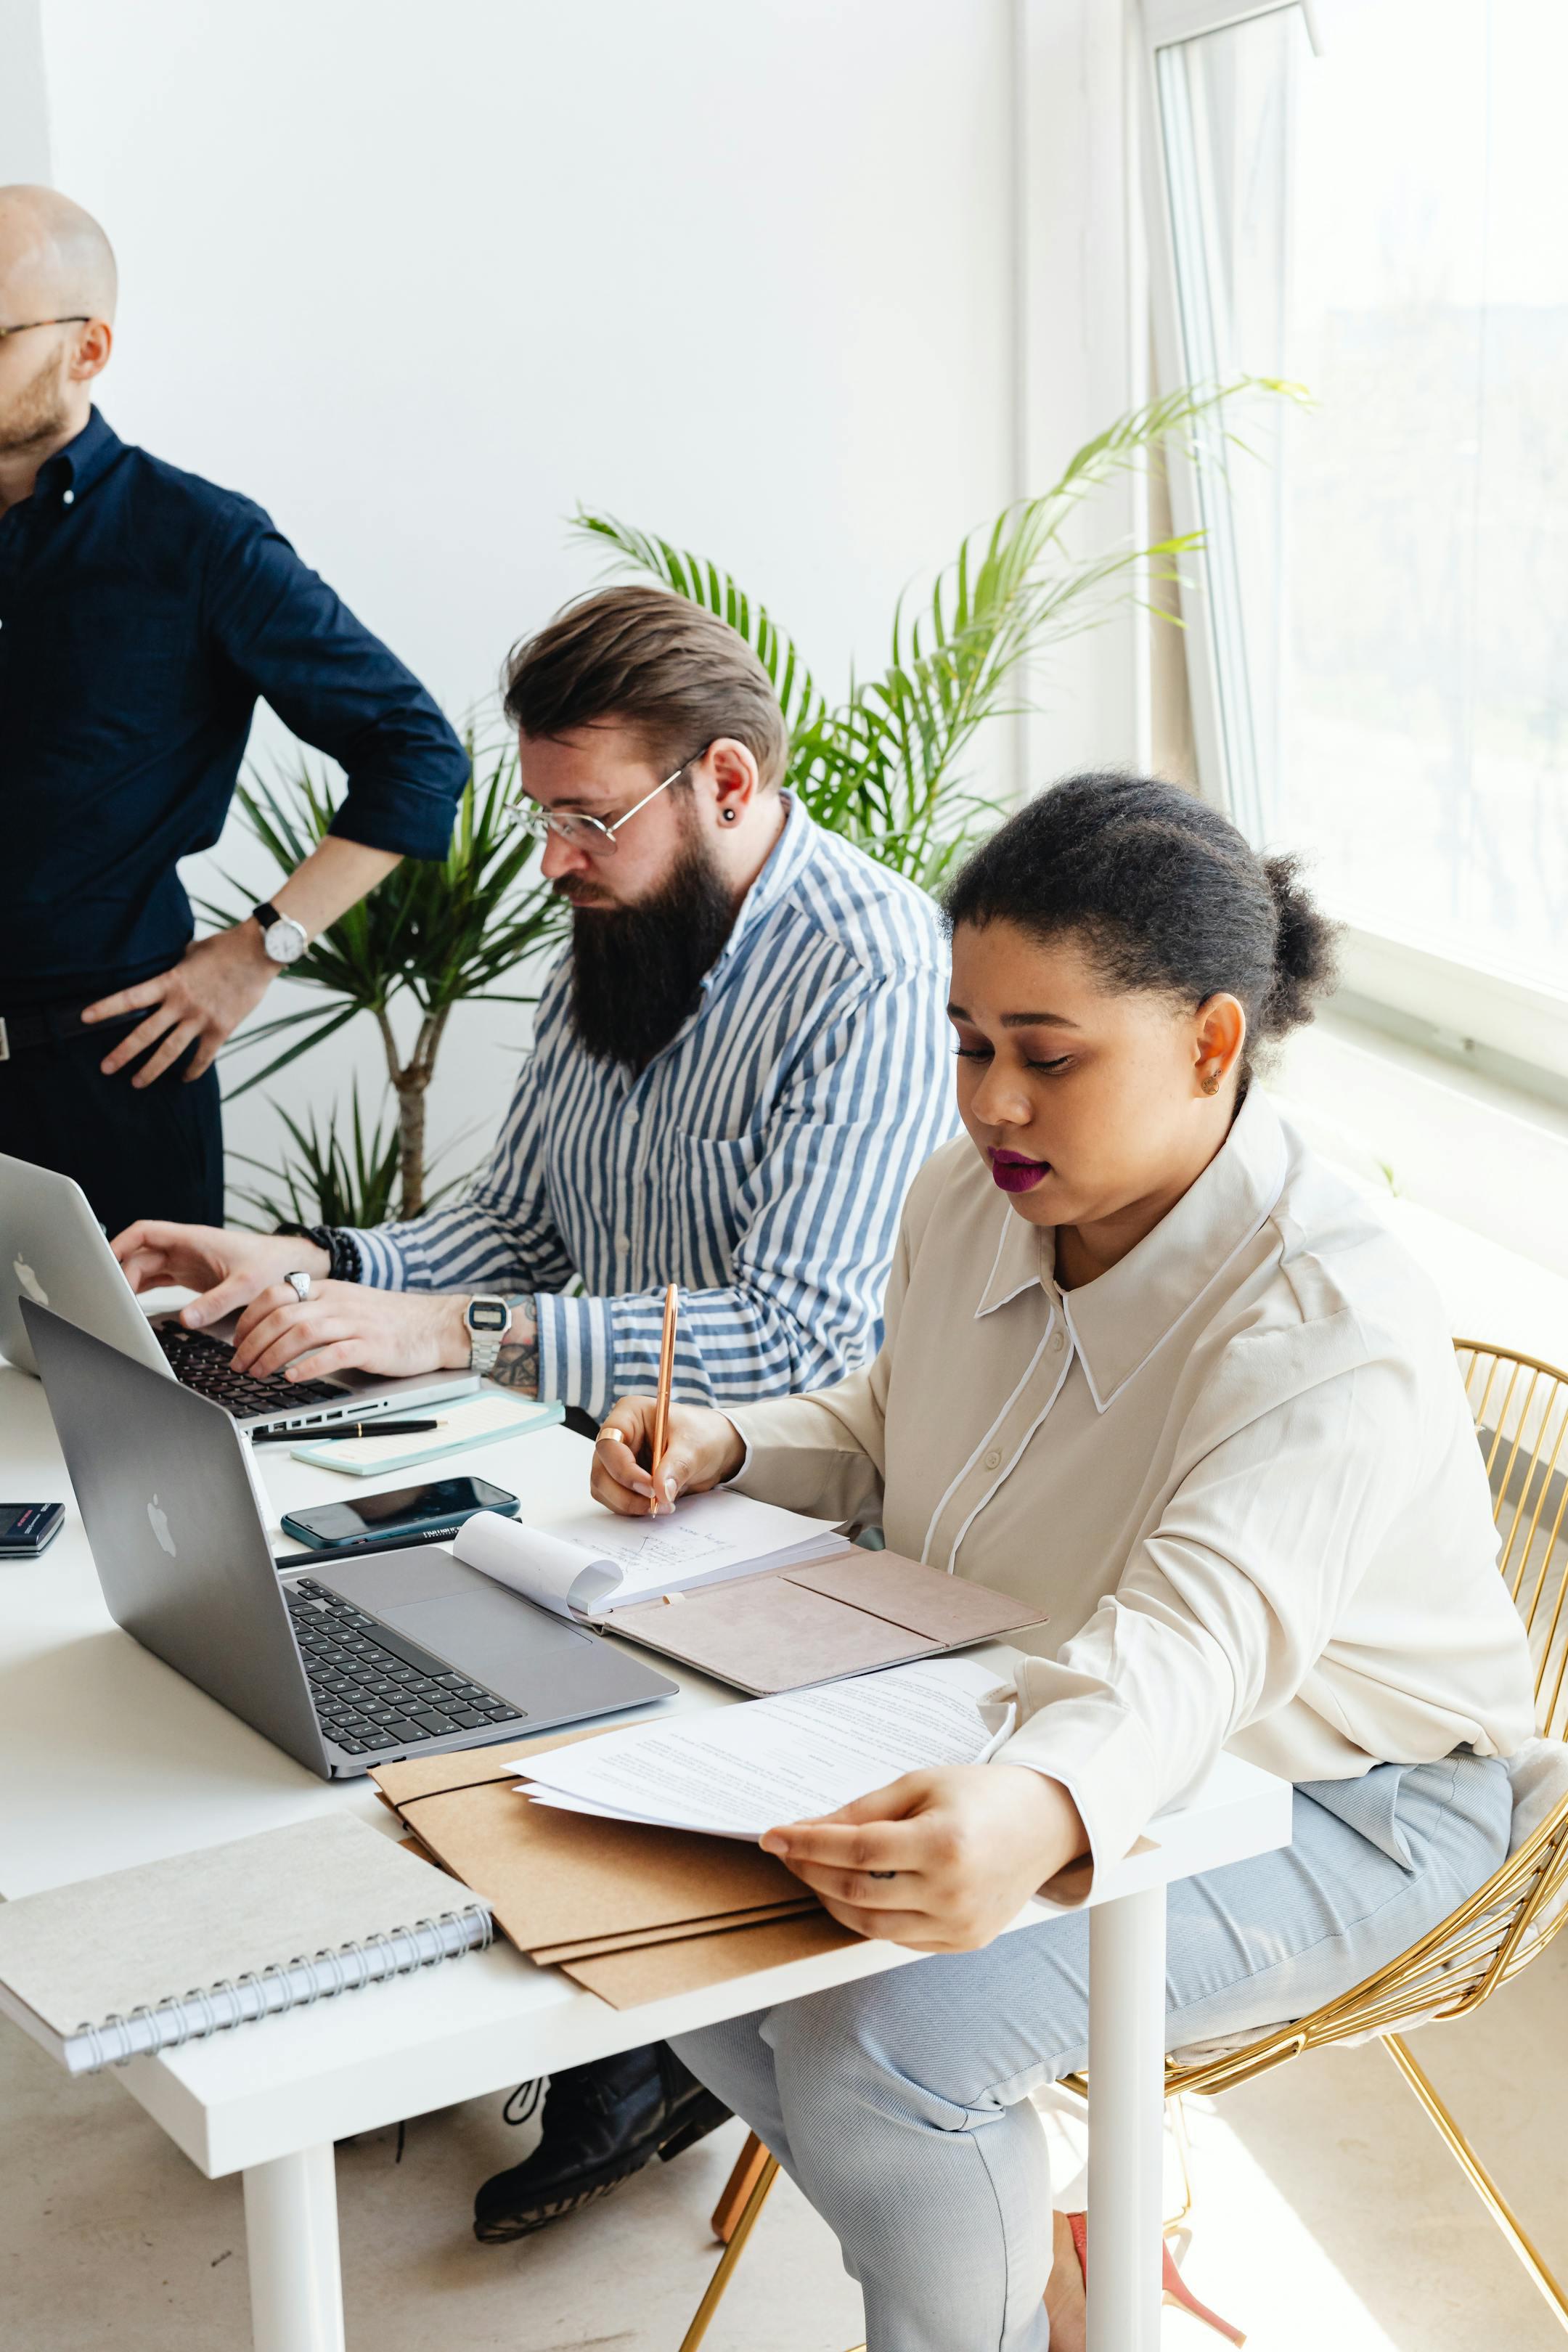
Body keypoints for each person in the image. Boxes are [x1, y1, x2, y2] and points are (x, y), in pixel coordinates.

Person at [587, 773, 1536, 2352]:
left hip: (1355, 1799)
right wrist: (730, 1444)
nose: (992, 1106)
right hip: (1024, 1709)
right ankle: (1044, 2267)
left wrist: (1038, 1807)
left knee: (880, 2045)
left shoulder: (1328, 1314)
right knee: (667, 1931)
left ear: (1213, 1045)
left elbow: (1198, 1641)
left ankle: (1018, 2286)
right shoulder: (969, 1200)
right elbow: (892, 1421)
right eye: (969, 1046)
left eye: (1048, 1057)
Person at [112, 584, 960, 2226]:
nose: (555, 861)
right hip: (590, 1478)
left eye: (589, 819)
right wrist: (316, 1262)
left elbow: (797, 1335)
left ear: (726, 783)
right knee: (297, 1598)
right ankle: (413, 1988)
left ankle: (644, 2029)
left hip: (784, 1516)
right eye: (546, 816)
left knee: (384, 1621)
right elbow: (515, 1224)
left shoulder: (870, 973)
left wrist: (447, 1332)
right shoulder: (622, 932)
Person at [0, 185, 469, 1233]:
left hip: (106, 1086)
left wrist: (262, 949)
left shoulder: (199, 540)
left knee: (117, 1353)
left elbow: (416, 752)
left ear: (88, 348)